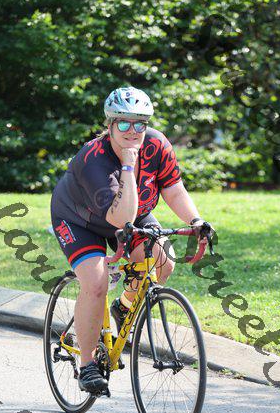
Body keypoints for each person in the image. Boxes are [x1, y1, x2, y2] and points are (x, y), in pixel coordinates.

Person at [50, 86, 210, 393]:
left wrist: (195, 221)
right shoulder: (93, 159)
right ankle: (87, 364)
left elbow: (173, 188)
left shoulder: (157, 144)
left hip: (132, 213)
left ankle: (123, 307)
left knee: (162, 262)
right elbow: (118, 218)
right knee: (96, 283)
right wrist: (127, 164)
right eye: (123, 123)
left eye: (140, 123)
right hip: (80, 220)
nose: (133, 130)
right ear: (110, 124)